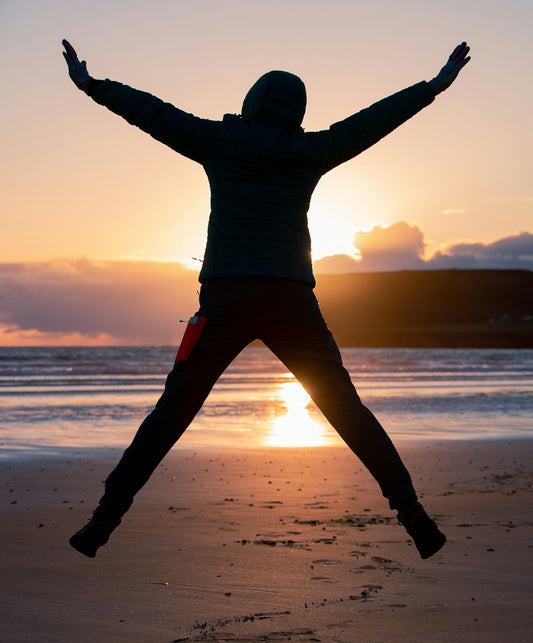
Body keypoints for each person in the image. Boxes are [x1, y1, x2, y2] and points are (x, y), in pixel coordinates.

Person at [63, 39, 470, 560]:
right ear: (298, 111)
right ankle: (413, 515)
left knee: (174, 410)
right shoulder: (310, 151)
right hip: (291, 299)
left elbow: (150, 111)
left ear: (252, 100)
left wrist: (92, 86)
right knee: (344, 408)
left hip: (226, 295)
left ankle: (103, 521)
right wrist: (433, 87)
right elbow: (372, 122)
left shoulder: (218, 140)